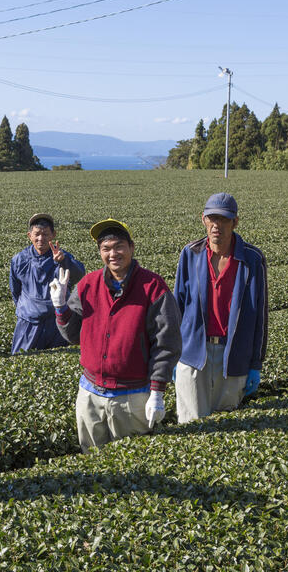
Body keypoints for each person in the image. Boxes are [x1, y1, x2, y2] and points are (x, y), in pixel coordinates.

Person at [52, 219, 181, 452]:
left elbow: (167, 342)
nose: (113, 253)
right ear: (100, 252)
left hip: (132, 397)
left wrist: (157, 392)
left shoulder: (153, 287)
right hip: (90, 394)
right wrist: (61, 307)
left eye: (119, 246)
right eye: (106, 248)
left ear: (132, 247)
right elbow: (73, 336)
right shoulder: (87, 285)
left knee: (135, 462)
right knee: (92, 463)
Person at [173, 192, 268, 423]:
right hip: (194, 353)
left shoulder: (252, 259)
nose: (217, 225)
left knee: (226, 425)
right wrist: (173, 355)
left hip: (232, 354)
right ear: (203, 219)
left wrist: (256, 364)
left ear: (235, 222)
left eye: (224, 219)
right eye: (212, 218)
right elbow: (178, 307)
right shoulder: (190, 254)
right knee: (191, 424)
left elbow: (260, 315)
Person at [9, 213, 85, 354]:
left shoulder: (62, 256)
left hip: (56, 323)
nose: (40, 238)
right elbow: (15, 291)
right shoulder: (19, 260)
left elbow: (79, 274)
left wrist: (63, 262)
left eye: (45, 234)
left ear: (53, 235)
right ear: (29, 235)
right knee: (21, 361)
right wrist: (26, 308)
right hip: (29, 323)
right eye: (37, 234)